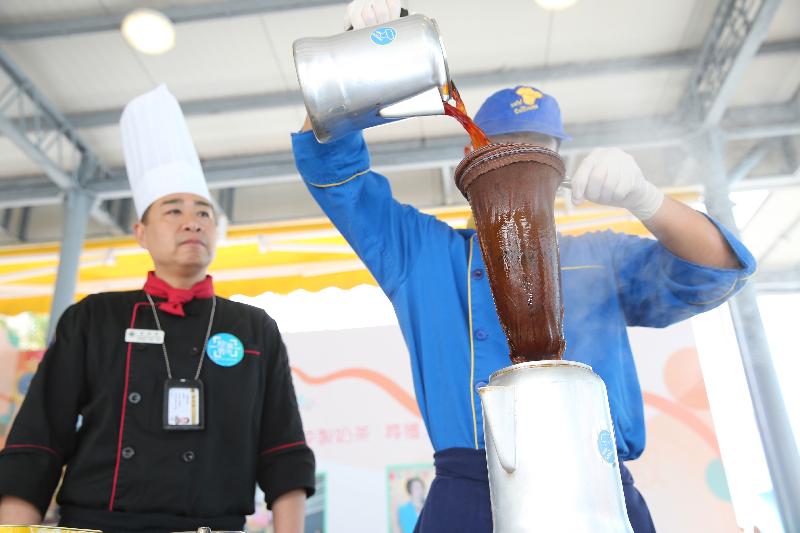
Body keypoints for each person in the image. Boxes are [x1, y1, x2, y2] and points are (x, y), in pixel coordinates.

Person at [291, 4, 756, 533]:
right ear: (470, 158)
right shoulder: (424, 256)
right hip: (470, 496)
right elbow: (331, 172)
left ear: (559, 167)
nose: (520, 168)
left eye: (539, 155)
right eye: (503, 150)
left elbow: (714, 266)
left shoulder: (599, 256)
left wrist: (648, 200)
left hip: (598, 486)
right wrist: (358, 57)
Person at [0, 85, 315, 533]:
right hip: (97, 525)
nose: (192, 221)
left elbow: (282, 448)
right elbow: (39, 438)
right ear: (140, 233)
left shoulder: (253, 328)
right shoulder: (93, 319)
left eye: (204, 213)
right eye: (172, 210)